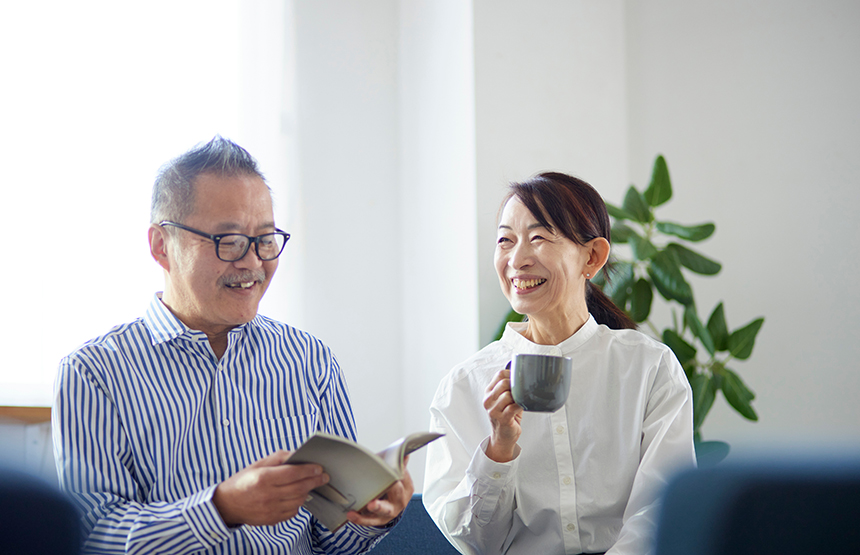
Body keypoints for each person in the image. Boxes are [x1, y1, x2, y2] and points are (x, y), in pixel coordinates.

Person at [52, 136, 413, 554]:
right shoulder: (93, 373)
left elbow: (333, 544)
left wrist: (373, 516)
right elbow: (94, 538)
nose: (253, 262)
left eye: (264, 239)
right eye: (228, 240)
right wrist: (221, 509)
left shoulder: (310, 360)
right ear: (161, 246)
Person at [423, 172, 696, 555]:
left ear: (592, 256)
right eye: (505, 240)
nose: (517, 260)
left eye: (538, 238)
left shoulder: (648, 368)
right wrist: (499, 449)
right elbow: (473, 543)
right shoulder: (465, 386)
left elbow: (661, 509)